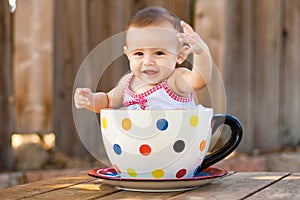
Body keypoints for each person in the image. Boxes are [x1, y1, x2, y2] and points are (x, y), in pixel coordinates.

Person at [74, 6, 212, 112]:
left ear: (180, 56)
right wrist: (90, 100)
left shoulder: (175, 80)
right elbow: (108, 101)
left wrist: (201, 53)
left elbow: (198, 81)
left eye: (159, 53)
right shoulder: (127, 83)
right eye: (139, 54)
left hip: (176, 146)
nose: (148, 62)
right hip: (137, 147)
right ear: (128, 55)